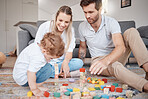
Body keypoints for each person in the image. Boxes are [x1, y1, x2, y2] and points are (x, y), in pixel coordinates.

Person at [78, 0, 148, 92]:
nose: (87, 16)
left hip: (115, 56)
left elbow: (121, 47)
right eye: (85, 12)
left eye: (91, 12)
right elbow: (82, 48)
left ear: (100, 10)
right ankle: (145, 85)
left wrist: (106, 61)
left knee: (131, 32)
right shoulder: (82, 27)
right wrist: (80, 67)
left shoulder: (111, 22)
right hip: (98, 60)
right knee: (115, 66)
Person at [35, 6, 83, 78]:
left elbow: (69, 52)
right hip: (46, 61)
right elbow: (37, 47)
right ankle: (63, 73)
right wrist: (45, 60)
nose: (63, 25)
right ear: (56, 17)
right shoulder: (45, 26)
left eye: (66, 22)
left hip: (60, 62)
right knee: (37, 67)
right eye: (60, 20)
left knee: (79, 63)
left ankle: (52, 73)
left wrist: (65, 62)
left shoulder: (71, 31)